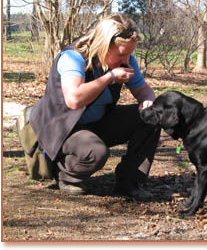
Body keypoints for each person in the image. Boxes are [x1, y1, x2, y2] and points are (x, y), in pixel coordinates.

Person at [27, 13, 161, 198]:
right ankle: (65, 174)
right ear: (103, 47)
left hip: (98, 121)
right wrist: (110, 77)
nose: (127, 60)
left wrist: (148, 102)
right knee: (95, 152)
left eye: (130, 53)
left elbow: (143, 91)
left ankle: (130, 182)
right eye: (122, 54)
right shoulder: (73, 57)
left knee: (151, 118)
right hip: (63, 127)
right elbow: (74, 100)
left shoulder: (126, 59)